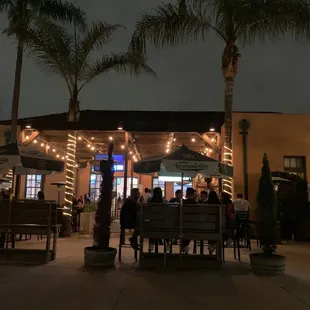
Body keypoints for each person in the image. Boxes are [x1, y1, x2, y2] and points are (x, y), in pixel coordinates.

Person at [148, 187, 165, 252]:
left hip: (151, 226)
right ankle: (167, 245)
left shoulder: (149, 202)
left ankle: (151, 243)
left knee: (153, 226)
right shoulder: (163, 202)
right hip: (162, 226)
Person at [182, 187, 197, 253]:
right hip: (193, 225)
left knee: (184, 228)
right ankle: (185, 245)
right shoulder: (196, 203)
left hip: (183, 225)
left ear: (187, 194)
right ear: (193, 194)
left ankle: (184, 246)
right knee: (188, 227)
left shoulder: (183, 202)